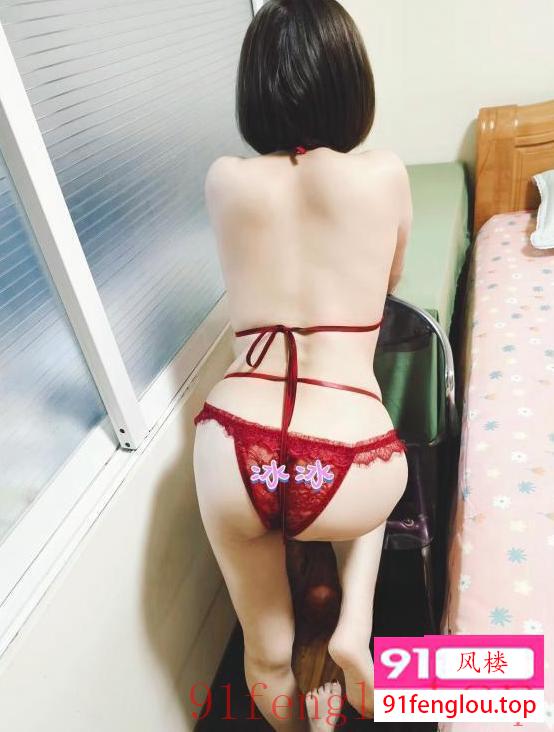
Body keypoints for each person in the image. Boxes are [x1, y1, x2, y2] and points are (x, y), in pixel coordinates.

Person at [193, 0, 412, 729]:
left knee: (264, 654)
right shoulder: (384, 174)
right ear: (352, 82)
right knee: (376, 490)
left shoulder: (224, 179)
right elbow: (388, 281)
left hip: (233, 449)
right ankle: (356, 623)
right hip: (349, 461)